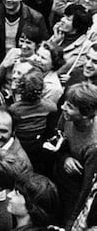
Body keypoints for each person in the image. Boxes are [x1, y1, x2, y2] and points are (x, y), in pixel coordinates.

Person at [54, 82, 97, 221]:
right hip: (60, 177)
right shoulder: (66, 117)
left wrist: (71, 221)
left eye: (70, 107)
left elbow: (86, 189)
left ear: (86, 115)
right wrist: (65, 157)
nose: (63, 107)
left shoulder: (93, 146)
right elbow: (58, 140)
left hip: (74, 192)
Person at [9, 70, 58, 175]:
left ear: (21, 89)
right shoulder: (50, 107)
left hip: (19, 147)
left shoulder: (14, 110)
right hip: (38, 148)